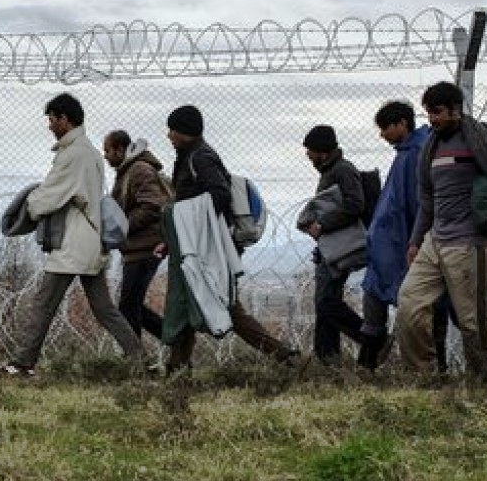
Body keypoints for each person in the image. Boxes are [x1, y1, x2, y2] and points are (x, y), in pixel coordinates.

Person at [396, 82, 487, 383]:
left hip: (470, 242)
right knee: (409, 306)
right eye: (429, 114)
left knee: (473, 321)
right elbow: (427, 199)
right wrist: (415, 241)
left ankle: (483, 382)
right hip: (435, 241)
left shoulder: (485, 138)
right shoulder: (431, 147)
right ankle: (425, 379)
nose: (433, 120)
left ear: (455, 109)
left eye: (438, 112)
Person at [0, 93, 145, 376]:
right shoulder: (88, 151)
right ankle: (140, 360)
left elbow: (51, 195)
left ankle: (21, 363)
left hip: (73, 242)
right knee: (105, 310)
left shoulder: (73, 154)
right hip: (90, 240)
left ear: (65, 120)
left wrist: (25, 208)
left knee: (43, 305)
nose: (50, 126)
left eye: (52, 120)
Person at [157, 105, 299, 372]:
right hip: (197, 245)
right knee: (189, 300)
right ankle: (177, 367)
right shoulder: (191, 155)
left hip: (210, 248)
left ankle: (283, 355)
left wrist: (188, 220)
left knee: (227, 306)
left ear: (185, 132)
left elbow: (219, 195)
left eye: (172, 130)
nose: (169, 135)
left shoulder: (201, 158)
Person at [359, 101, 463, 370]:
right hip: (391, 247)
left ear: (402, 124)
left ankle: (427, 369)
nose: (382, 134)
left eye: (386, 127)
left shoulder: (417, 152)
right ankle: (370, 368)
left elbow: (419, 204)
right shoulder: (409, 152)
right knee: (406, 305)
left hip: (403, 247)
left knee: (425, 307)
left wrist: (415, 241)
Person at [297, 124, 369, 367]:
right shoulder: (331, 170)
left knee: (327, 303)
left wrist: (322, 225)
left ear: (323, 152)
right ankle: (328, 359)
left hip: (340, 248)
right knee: (325, 303)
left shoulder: (343, 170)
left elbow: (355, 204)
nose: (308, 157)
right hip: (330, 248)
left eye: (310, 152)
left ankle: (371, 340)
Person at [103, 129, 170, 346]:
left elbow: (152, 206)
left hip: (145, 247)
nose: (105, 156)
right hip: (137, 247)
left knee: (128, 306)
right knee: (131, 305)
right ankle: (174, 340)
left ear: (120, 149)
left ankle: (136, 358)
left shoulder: (139, 169)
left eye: (108, 150)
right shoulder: (128, 171)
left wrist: (122, 227)